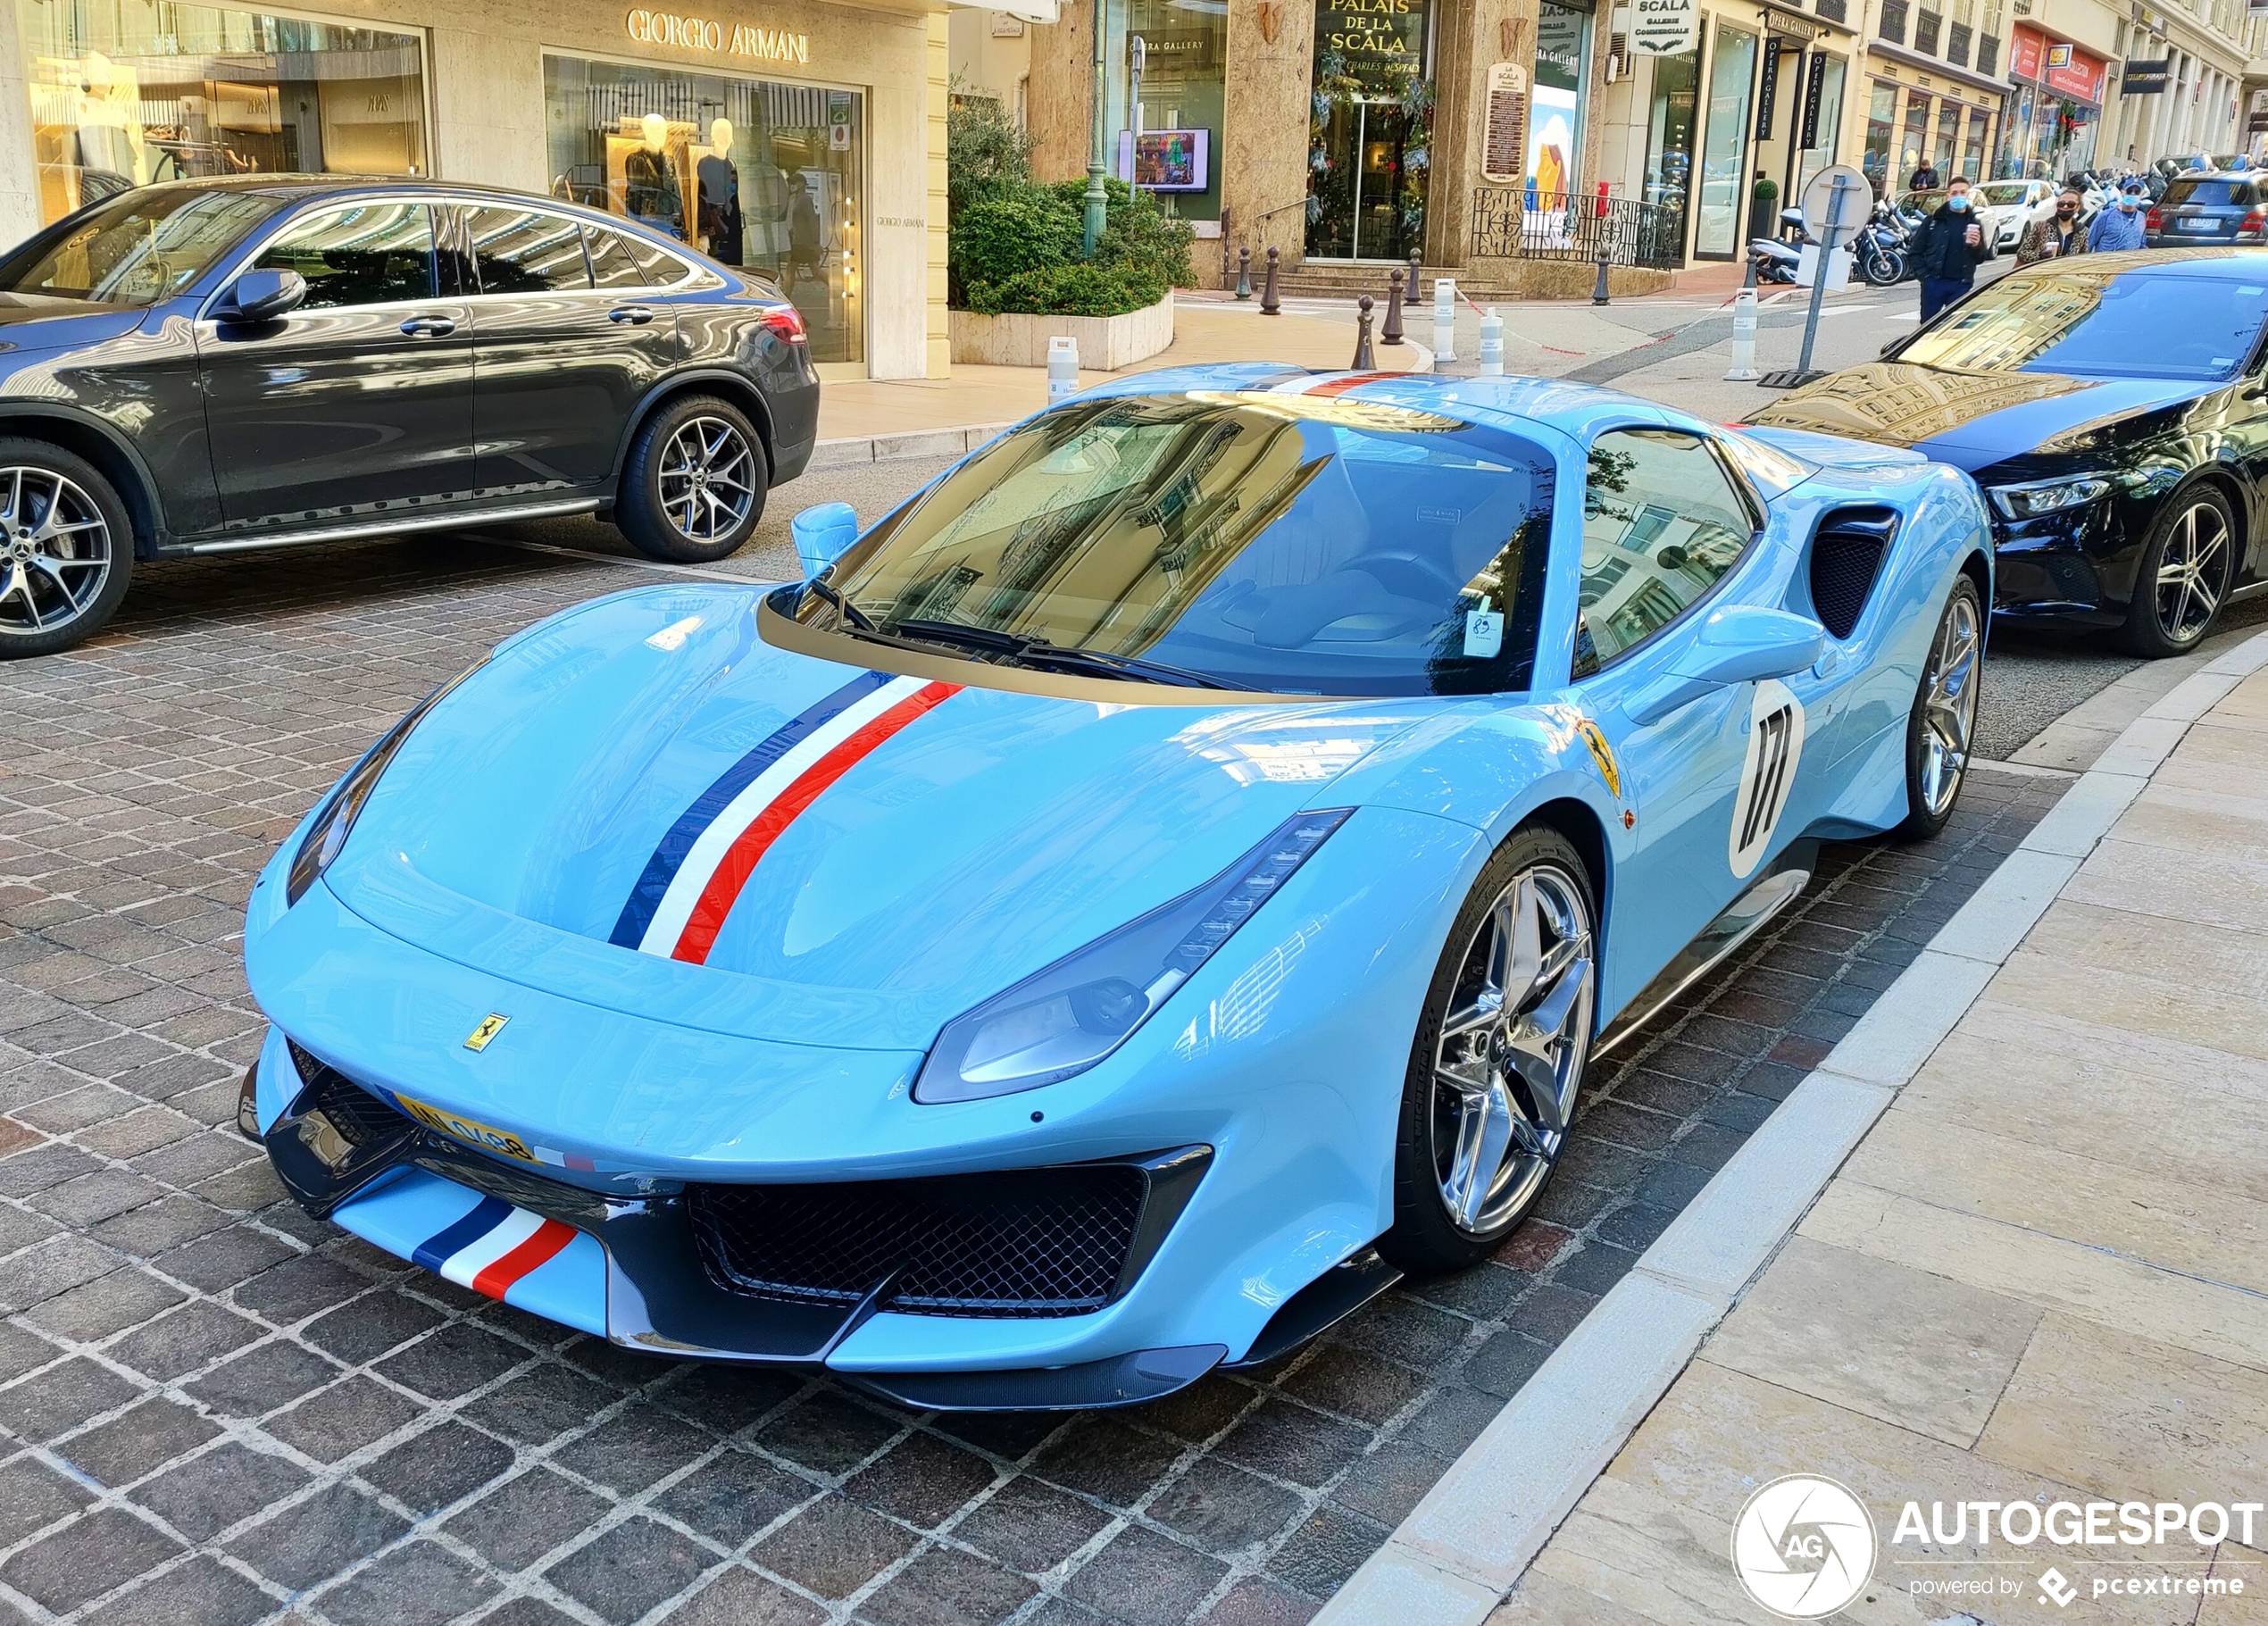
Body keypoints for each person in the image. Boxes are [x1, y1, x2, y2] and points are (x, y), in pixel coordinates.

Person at [1910, 176, 1994, 321]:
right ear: (1948, 196)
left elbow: (1980, 257)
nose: (1959, 196)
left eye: (1963, 192)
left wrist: (1976, 245)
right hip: (1935, 283)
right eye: (1955, 193)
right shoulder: (1934, 221)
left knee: (1957, 328)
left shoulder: (1974, 222)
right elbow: (1914, 253)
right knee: (1928, 328)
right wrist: (1926, 278)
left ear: (1968, 195)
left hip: (1961, 284)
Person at [2016, 187, 2089, 265]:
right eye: (2061, 204)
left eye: (2071, 204)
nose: (2065, 207)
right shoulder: (2041, 226)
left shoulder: (2083, 231)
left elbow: (2084, 258)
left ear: (2078, 207)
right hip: (2044, 274)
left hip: (2067, 275)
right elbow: (2022, 252)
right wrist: (2039, 256)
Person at [2088, 181, 2149, 251]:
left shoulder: (2141, 217)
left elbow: (2142, 244)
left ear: (2142, 195)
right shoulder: (2106, 216)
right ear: (2122, 192)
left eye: (2137, 192)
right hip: (2107, 260)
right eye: (2129, 191)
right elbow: (2089, 242)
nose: (2133, 194)